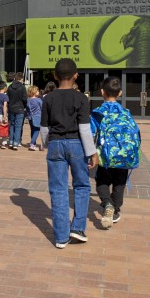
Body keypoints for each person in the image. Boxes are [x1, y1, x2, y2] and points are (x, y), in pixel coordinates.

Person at [40, 58, 99, 249]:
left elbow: (44, 128)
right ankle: (78, 228)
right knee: (82, 185)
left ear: (55, 76)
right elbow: (84, 129)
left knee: (58, 189)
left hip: (56, 143)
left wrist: (48, 145)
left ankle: (60, 237)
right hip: (77, 145)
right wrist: (92, 152)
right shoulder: (81, 98)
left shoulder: (47, 98)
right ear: (76, 76)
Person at [90, 76, 139, 229]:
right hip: (124, 156)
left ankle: (108, 204)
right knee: (120, 183)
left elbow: (91, 134)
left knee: (102, 182)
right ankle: (115, 209)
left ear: (102, 92)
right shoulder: (126, 113)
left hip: (104, 156)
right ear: (120, 93)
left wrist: (91, 154)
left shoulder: (97, 113)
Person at [7, 72, 27, 150]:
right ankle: (16, 143)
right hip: (20, 108)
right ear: (21, 79)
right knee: (18, 126)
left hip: (11, 108)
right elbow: (25, 99)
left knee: (12, 125)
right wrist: (24, 106)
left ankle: (11, 142)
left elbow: (7, 99)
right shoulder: (22, 87)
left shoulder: (10, 87)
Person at [26, 85, 43, 151]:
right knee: (37, 130)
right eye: (37, 91)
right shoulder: (38, 100)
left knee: (32, 130)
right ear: (34, 92)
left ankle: (34, 143)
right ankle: (32, 143)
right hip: (38, 117)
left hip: (30, 117)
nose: (38, 92)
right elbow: (42, 108)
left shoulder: (28, 100)